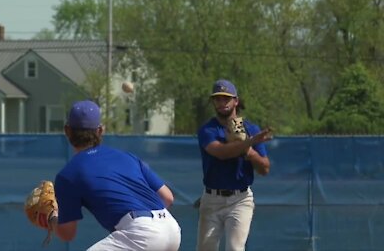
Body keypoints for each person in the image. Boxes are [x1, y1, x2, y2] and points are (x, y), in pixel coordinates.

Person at [41, 100, 181, 251]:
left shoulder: (69, 174)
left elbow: (67, 234)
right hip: (172, 229)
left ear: (67, 131)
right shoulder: (128, 157)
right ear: (100, 130)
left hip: (141, 235)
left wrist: (51, 218)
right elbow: (167, 197)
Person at [196, 79, 273, 251]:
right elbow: (222, 153)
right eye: (217, 99)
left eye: (226, 98)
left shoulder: (251, 129)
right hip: (211, 198)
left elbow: (265, 168)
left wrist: (250, 152)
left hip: (240, 199)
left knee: (235, 248)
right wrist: (249, 142)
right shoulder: (208, 130)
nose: (222, 103)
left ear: (236, 101)